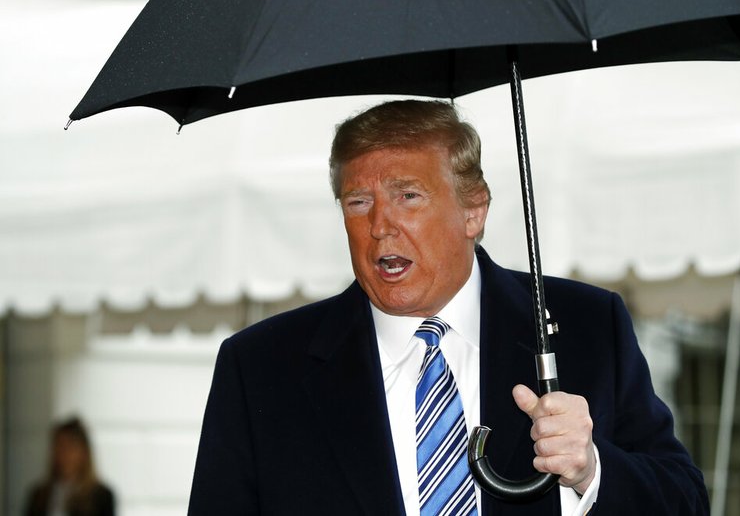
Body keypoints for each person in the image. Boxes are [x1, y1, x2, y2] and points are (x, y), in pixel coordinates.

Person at [189, 100, 709, 515]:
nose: (380, 226)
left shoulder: (586, 328)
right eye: (358, 201)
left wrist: (591, 469)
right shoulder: (261, 368)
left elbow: (686, 502)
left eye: (408, 196)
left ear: (473, 210)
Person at [24, 416, 115, 516]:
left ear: (84, 453)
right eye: (60, 446)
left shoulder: (101, 497)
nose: (64, 455)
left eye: (70, 448)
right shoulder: (40, 496)